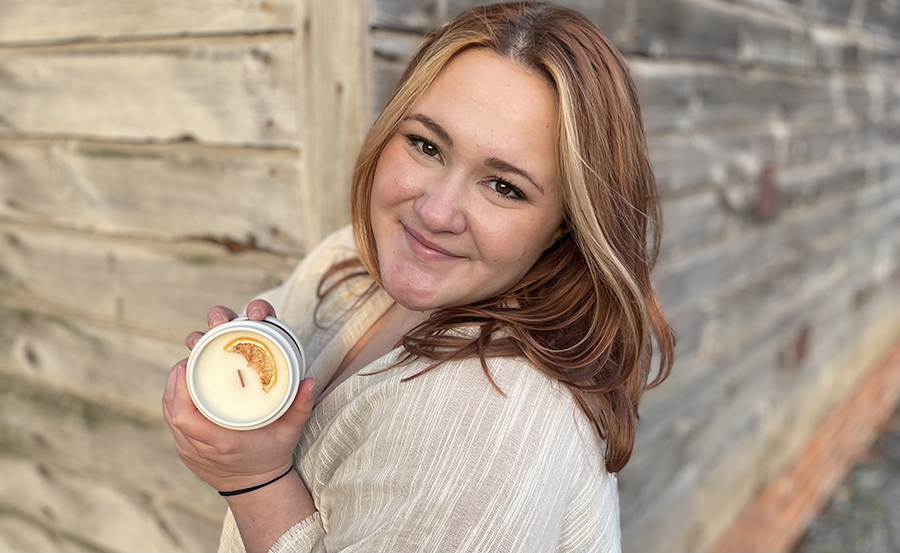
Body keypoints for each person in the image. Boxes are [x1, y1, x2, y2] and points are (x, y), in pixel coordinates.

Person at [162, 2, 675, 552]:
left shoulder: (491, 425)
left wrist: (254, 481)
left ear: (565, 227)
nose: (435, 213)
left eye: (504, 187)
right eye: (427, 145)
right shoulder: (356, 263)